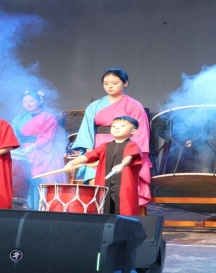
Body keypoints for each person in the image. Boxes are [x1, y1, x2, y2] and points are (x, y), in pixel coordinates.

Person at [71, 68, 152, 213]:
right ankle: (101, 219)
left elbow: (140, 133)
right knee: (98, 187)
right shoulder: (94, 106)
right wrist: (90, 154)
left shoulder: (134, 106)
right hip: (99, 148)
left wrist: (130, 155)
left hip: (125, 149)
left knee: (124, 189)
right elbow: (86, 131)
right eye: (106, 83)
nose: (109, 86)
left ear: (125, 83)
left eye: (114, 83)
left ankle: (127, 219)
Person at [66, 116, 142, 215]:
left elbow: (129, 156)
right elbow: (88, 156)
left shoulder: (132, 145)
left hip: (124, 185)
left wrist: (122, 165)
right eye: (114, 126)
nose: (117, 128)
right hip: (105, 184)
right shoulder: (105, 146)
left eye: (122, 126)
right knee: (104, 209)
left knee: (125, 210)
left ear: (133, 131)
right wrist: (71, 163)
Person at [10, 91, 65, 209]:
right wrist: (16, 149)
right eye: (25, 102)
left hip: (45, 152)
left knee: (47, 180)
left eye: (31, 101)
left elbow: (47, 136)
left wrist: (33, 147)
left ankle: (49, 208)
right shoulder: (19, 118)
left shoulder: (49, 117)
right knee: (25, 181)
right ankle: (29, 208)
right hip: (24, 152)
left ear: (40, 101)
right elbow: (13, 134)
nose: (27, 104)